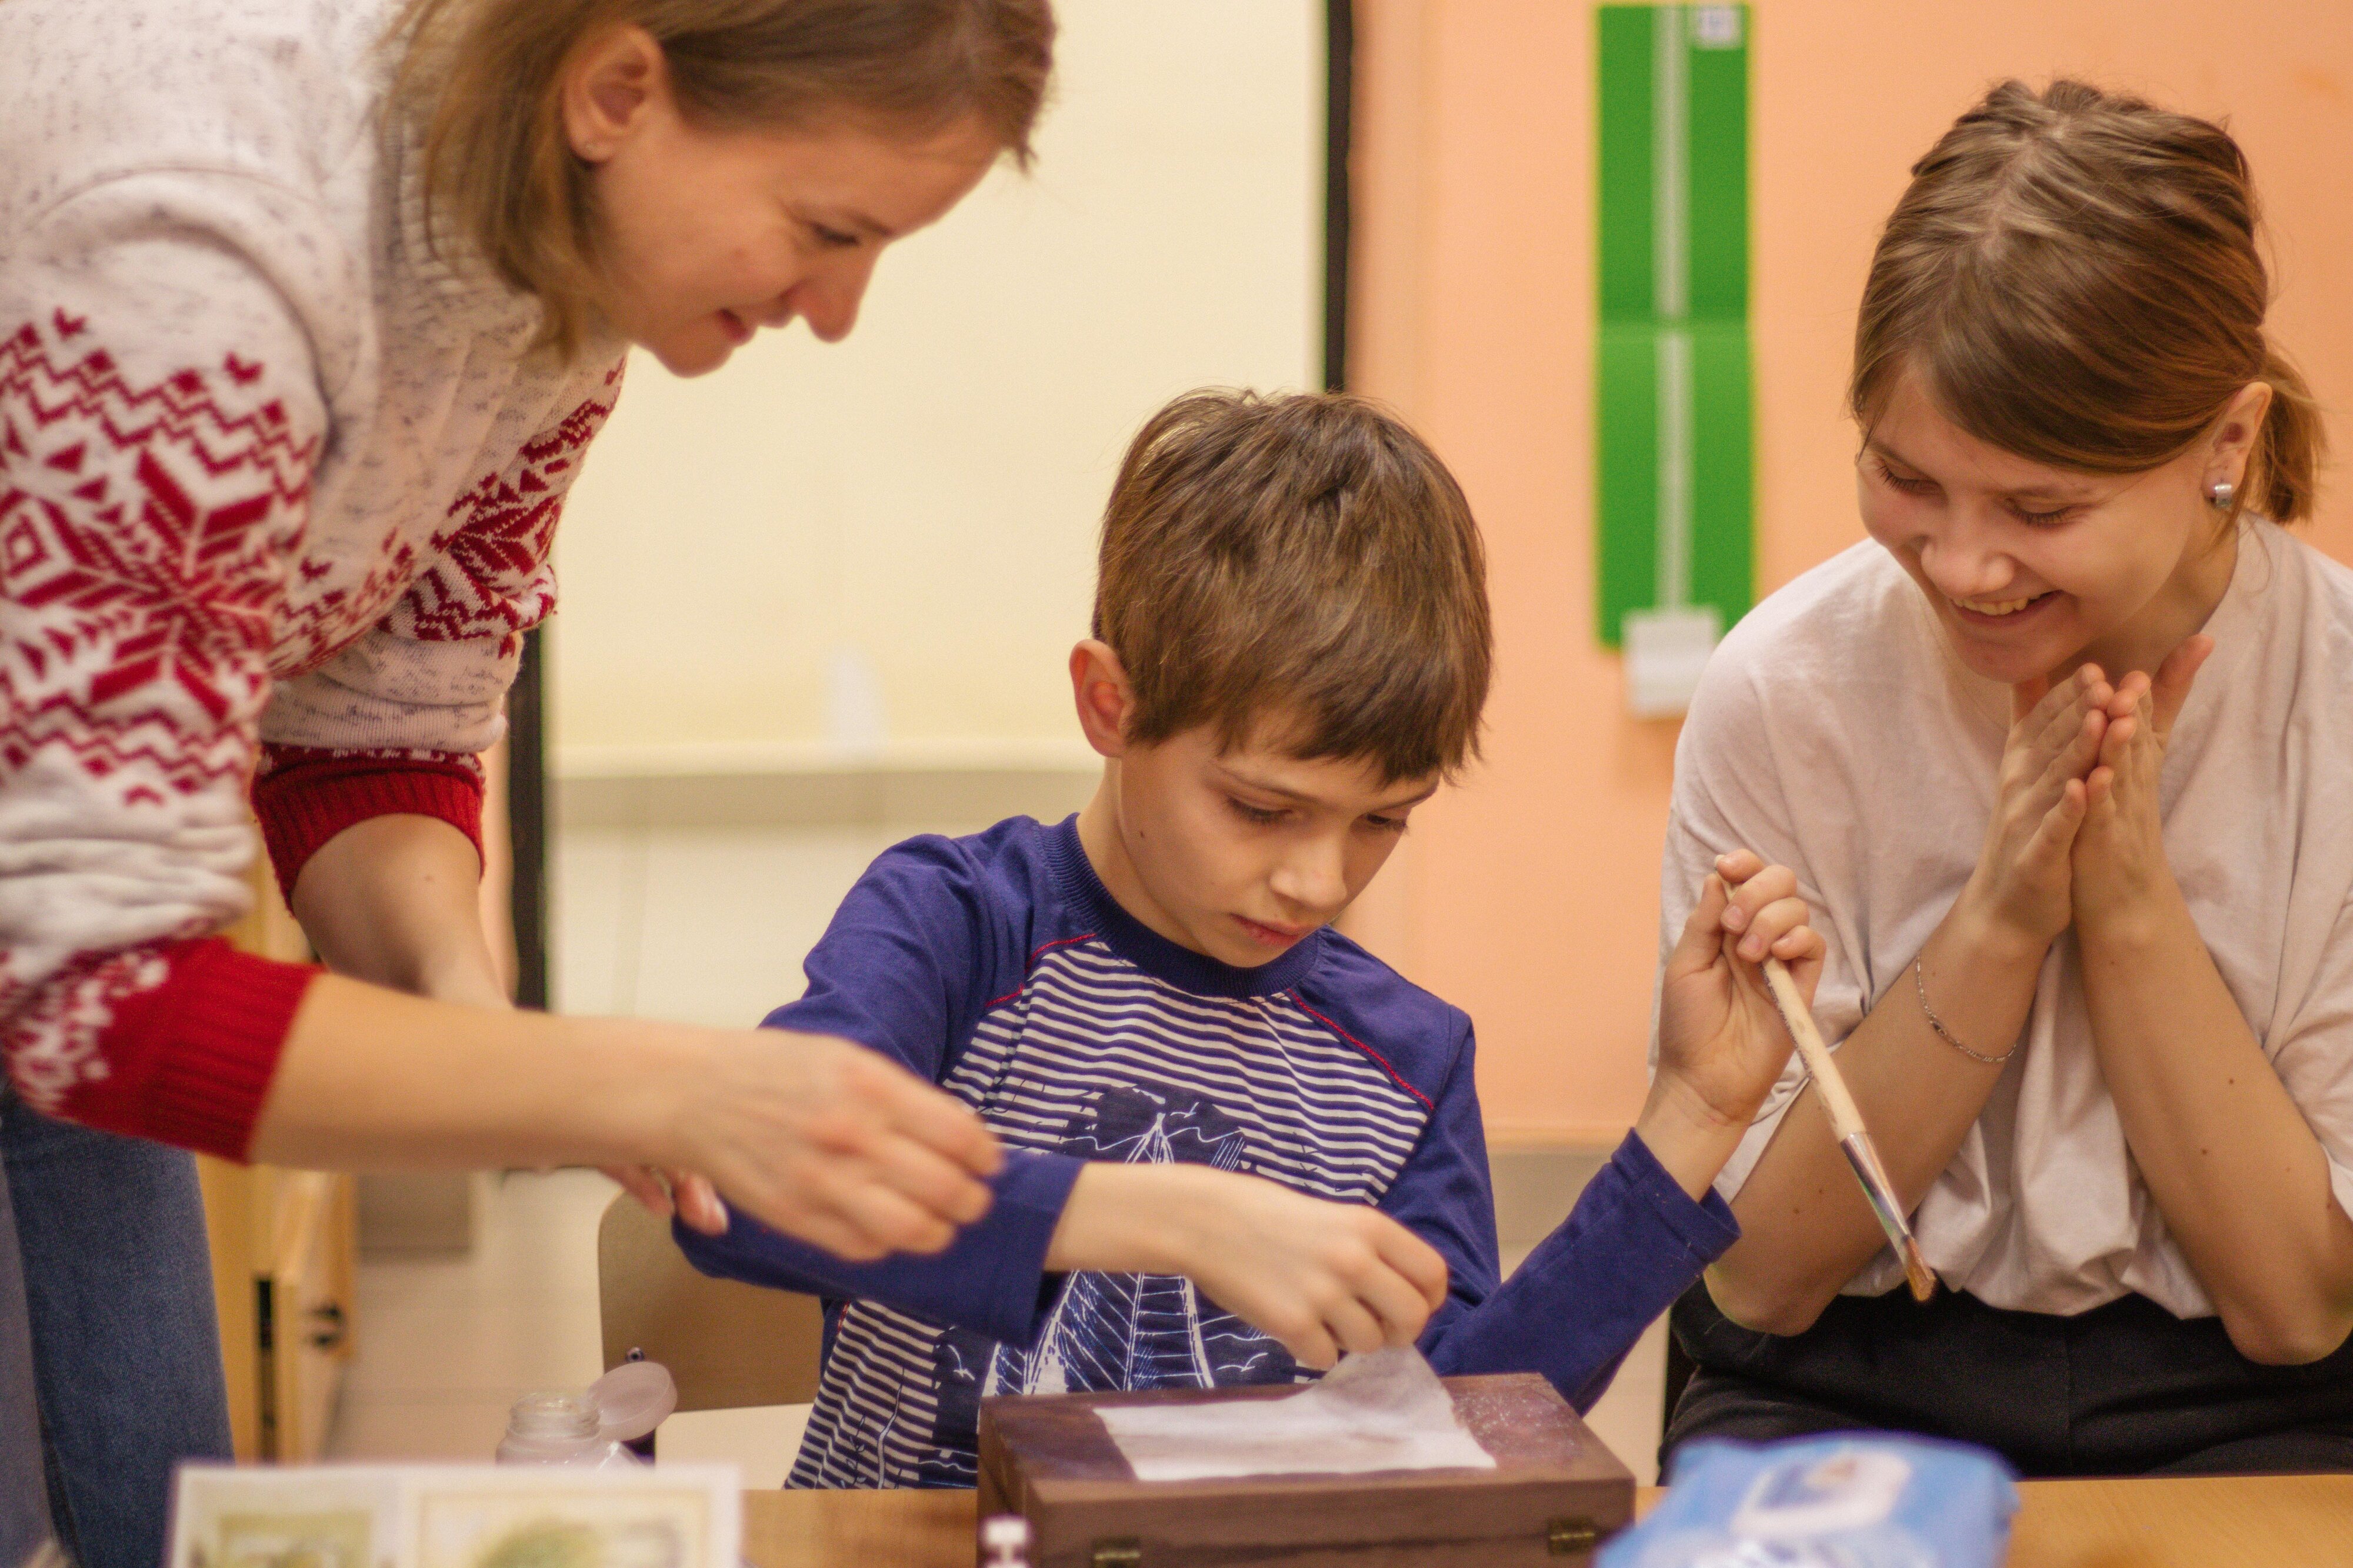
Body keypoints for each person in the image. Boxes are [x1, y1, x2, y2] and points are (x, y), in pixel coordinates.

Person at [0, 1, 1054, 1560]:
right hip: (66, 941)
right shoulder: (199, 252)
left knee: (161, 1519)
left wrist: (475, 1036)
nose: (837, 312)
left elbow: (375, 731)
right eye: (827, 230)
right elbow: (97, 999)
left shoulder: (549, 308)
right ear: (618, 91)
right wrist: (638, 1080)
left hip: (59, 907)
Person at [675, 389, 1826, 1487]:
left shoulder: (1402, 1060)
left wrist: (1691, 1116)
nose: (1317, 878)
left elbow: (1467, 1421)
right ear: (1108, 706)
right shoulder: (952, 925)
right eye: (1261, 808)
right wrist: (1172, 1217)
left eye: (1381, 820)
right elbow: (746, 1191)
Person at [1658, 80, 2353, 1477]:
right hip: (1837, 1392)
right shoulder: (1782, 688)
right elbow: (1760, 1283)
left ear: (2224, 446)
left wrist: (2128, 901)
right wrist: (1995, 919)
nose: (1963, 567)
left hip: (2248, 1408)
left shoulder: (2327, 694)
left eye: (2041, 509)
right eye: (1905, 480)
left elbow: (2296, 1308)